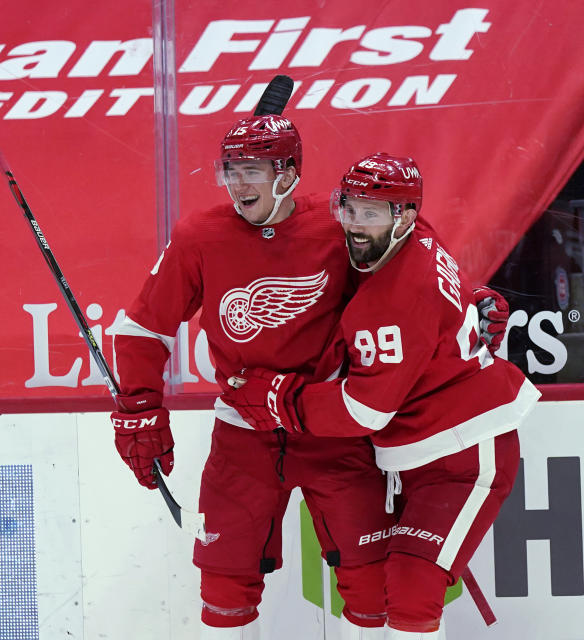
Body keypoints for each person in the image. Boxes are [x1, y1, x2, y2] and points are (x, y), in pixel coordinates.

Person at [223, 153, 539, 639]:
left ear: (403, 217)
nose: (352, 224)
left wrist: (276, 399)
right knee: (393, 591)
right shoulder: (414, 231)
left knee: (412, 593)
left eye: (368, 214)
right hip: (418, 451)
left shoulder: (392, 300)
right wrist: (465, 301)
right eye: (348, 208)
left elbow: (363, 409)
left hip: (464, 453)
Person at [109, 113, 401, 639]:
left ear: (287, 173)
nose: (236, 183)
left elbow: (407, 257)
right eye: (230, 170)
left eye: (251, 170)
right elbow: (140, 329)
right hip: (245, 433)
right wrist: (138, 409)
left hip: (330, 425)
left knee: (374, 580)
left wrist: (467, 299)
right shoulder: (201, 236)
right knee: (223, 586)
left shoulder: (337, 225)